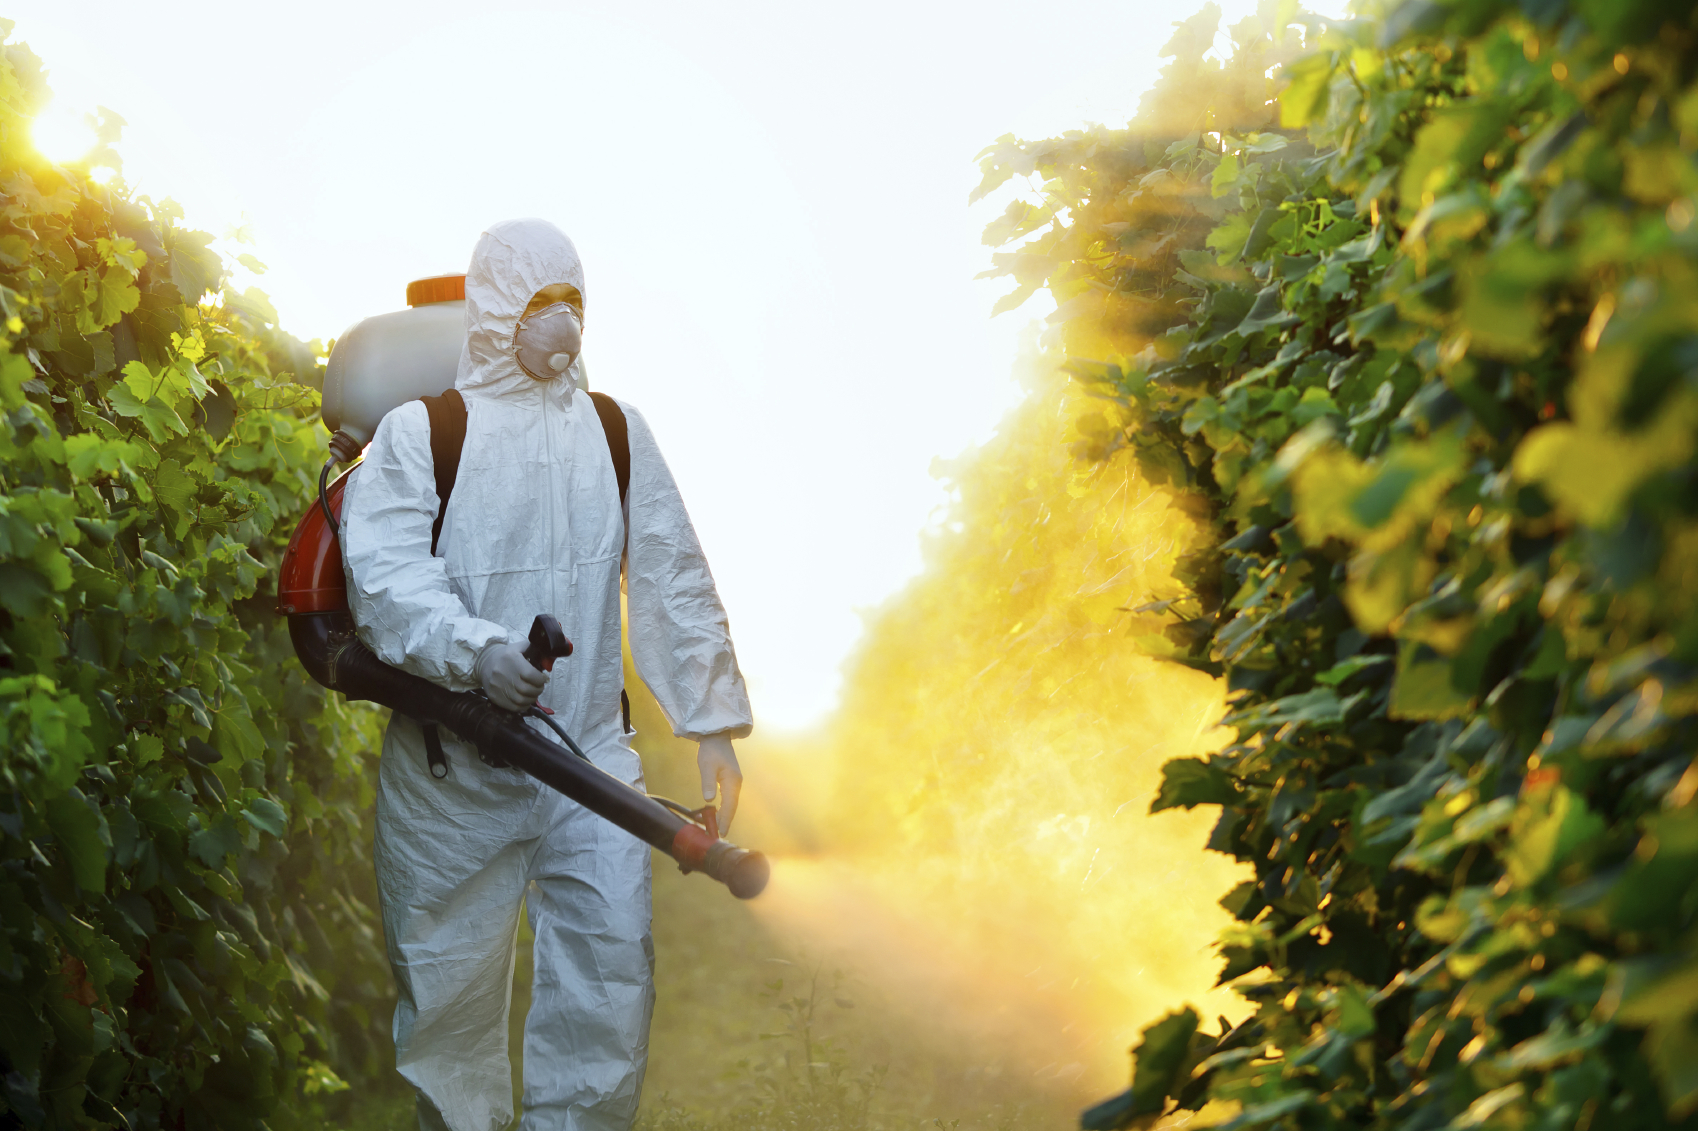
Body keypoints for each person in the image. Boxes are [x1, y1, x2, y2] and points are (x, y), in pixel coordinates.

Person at [339, 218, 753, 1131]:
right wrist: (477, 654)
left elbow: (672, 574)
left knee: (608, 995)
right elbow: (387, 579)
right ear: (492, 310)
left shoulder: (613, 432)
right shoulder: (421, 434)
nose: (558, 323)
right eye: (538, 303)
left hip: (590, 764)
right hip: (454, 776)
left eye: (572, 302)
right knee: (451, 1016)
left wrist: (710, 720)